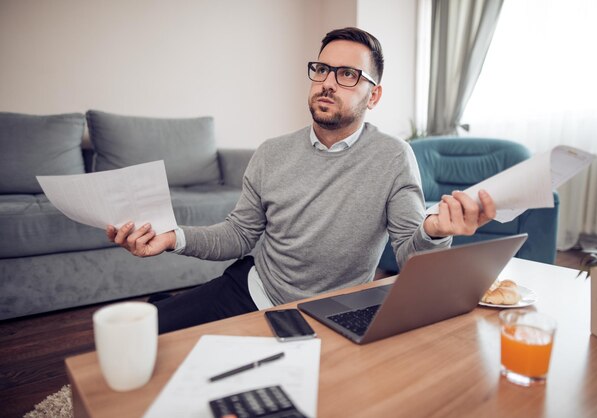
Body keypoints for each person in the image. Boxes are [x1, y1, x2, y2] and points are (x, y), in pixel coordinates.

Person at [107, 27, 496, 334]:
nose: (328, 82)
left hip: (333, 313)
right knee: (150, 333)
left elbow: (411, 254)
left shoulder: (393, 157)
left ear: (373, 96)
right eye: (322, 69)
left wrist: (433, 229)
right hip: (254, 289)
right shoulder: (271, 152)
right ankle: (166, 304)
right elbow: (239, 235)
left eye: (347, 74)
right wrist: (174, 237)